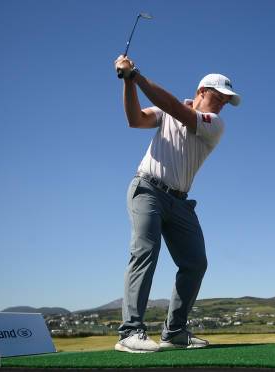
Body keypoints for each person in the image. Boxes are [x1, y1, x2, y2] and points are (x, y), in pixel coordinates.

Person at [112, 55, 240, 353]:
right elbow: (135, 120)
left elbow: (175, 109)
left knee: (195, 262)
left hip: (180, 203)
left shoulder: (214, 125)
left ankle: (175, 332)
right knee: (145, 250)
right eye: (218, 97)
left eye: (226, 101)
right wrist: (128, 82)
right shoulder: (169, 110)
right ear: (201, 92)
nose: (222, 104)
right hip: (147, 189)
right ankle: (130, 332)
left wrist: (136, 76)